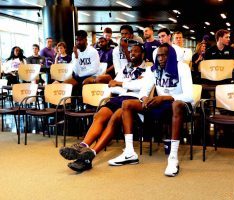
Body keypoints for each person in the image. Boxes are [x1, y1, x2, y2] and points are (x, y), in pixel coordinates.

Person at [59, 44, 151, 172]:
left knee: (114, 119)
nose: (132, 54)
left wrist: (123, 84)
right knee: (100, 115)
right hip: (119, 98)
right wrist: (128, 85)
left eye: (136, 51)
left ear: (142, 54)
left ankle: (91, 154)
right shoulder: (126, 67)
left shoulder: (149, 70)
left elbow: (140, 87)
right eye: (131, 52)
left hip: (133, 102)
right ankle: (82, 146)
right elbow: (112, 86)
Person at [108, 43, 193, 177]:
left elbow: (189, 96)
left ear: (170, 55)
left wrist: (164, 98)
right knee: (126, 104)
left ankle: (173, 158)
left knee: (176, 104)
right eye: (158, 55)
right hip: (161, 105)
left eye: (164, 55)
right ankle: (129, 152)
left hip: (181, 106)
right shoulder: (154, 70)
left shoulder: (182, 68)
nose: (160, 58)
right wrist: (144, 98)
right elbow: (144, 91)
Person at [64, 30, 100, 94]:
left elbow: (94, 70)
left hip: (91, 75)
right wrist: (76, 56)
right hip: (78, 77)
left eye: (80, 40)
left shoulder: (93, 51)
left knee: (85, 83)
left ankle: (85, 103)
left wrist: (81, 74)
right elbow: (76, 71)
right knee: (65, 85)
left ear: (85, 40)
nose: (78, 42)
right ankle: (69, 103)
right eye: (77, 40)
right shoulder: (74, 53)